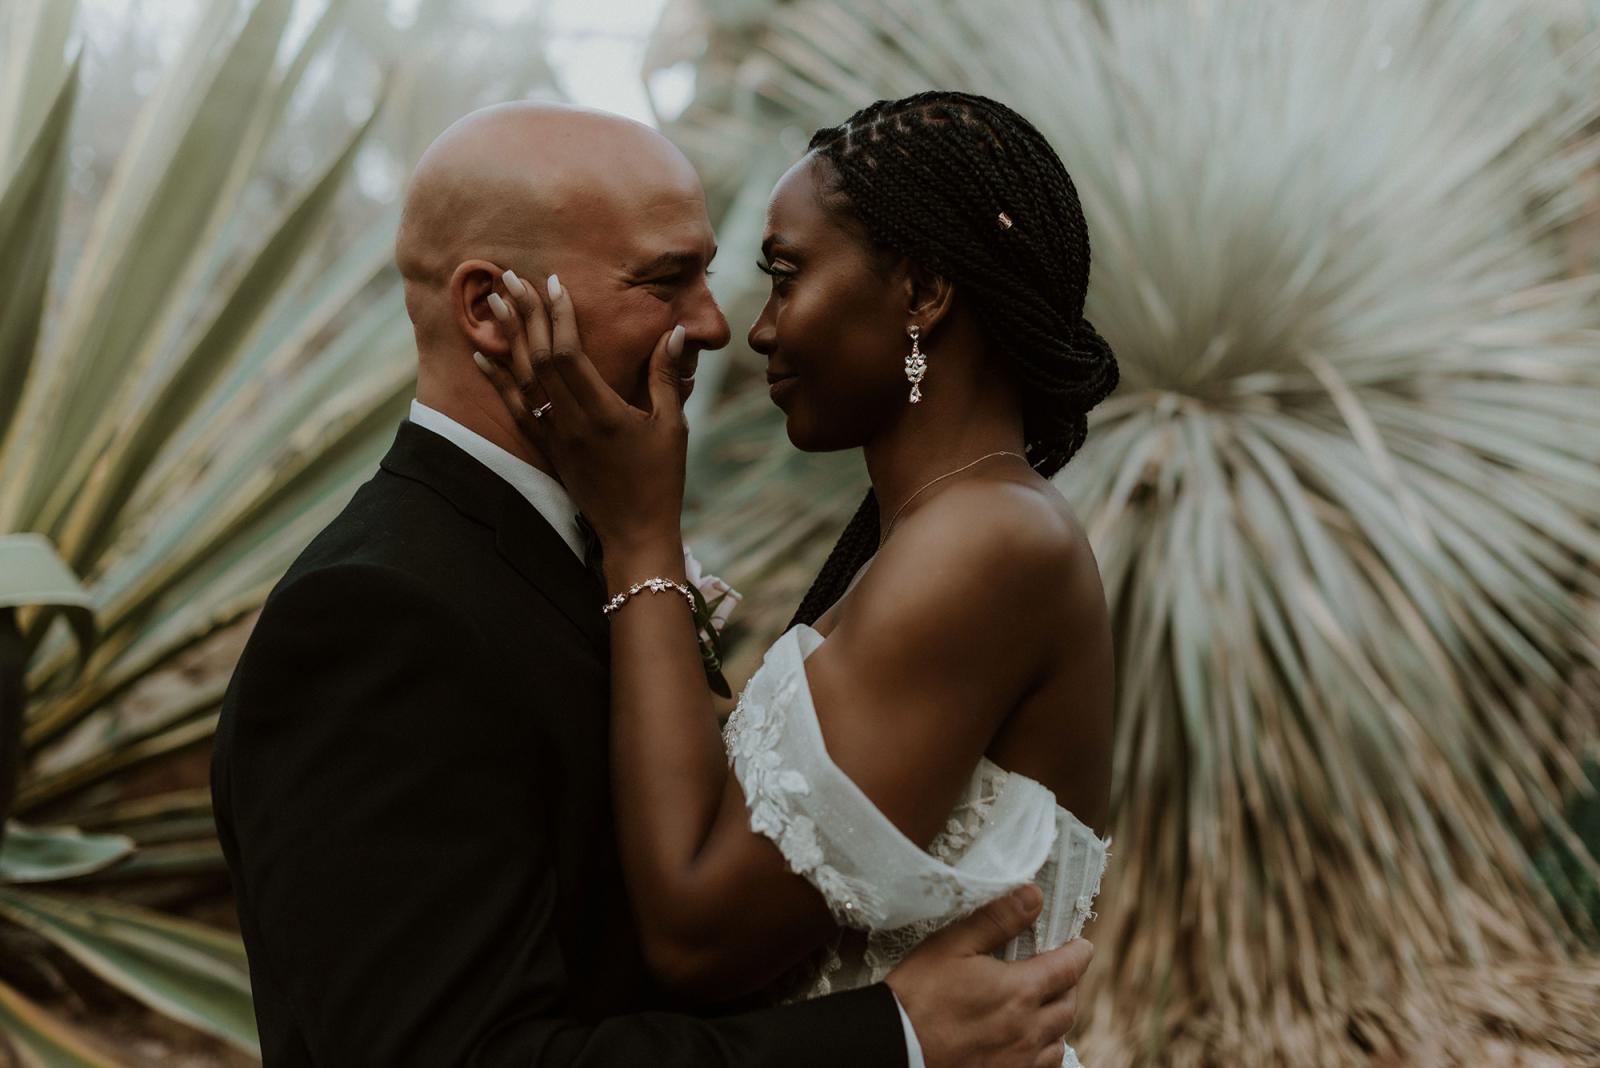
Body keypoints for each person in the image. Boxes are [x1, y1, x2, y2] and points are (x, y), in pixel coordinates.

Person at [210, 100, 1095, 1067]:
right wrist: (890, 1038)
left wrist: (643, 549)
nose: (721, 326)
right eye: (667, 281)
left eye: (747, 276)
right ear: (489, 309)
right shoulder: (377, 617)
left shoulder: (961, 539)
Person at [474, 91, 1118, 1068]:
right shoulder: (938, 535)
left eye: (786, 276)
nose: (759, 330)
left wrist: (641, 535)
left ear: (921, 291)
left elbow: (696, 936)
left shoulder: (989, 543)